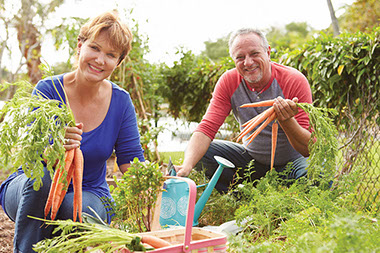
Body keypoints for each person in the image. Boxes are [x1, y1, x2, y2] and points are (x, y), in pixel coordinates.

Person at [0, 11, 145, 252]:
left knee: (76, 211)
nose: (100, 60)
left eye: (111, 55)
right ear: (80, 45)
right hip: (32, 187)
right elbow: (31, 155)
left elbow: (131, 159)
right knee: (41, 183)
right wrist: (55, 146)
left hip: (89, 193)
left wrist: (149, 182)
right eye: (95, 48)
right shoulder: (48, 90)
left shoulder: (121, 102)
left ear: (118, 63)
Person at [175, 28, 313, 193]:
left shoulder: (293, 80)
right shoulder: (229, 81)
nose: (248, 62)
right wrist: (186, 167)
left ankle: (292, 203)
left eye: (254, 53)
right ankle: (243, 197)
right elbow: (206, 128)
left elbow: (307, 149)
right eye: (240, 57)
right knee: (199, 154)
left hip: (292, 163)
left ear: (268, 53)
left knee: (314, 173)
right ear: (233, 59)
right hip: (252, 162)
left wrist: (286, 120)